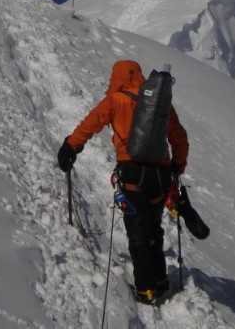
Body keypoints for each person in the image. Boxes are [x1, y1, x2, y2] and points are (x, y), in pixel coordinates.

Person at [57, 60, 189, 304]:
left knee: (137, 231)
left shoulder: (115, 100)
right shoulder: (158, 103)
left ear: (116, 77)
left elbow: (91, 124)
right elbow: (179, 137)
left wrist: (70, 147)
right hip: (159, 176)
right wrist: (177, 165)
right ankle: (159, 280)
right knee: (153, 228)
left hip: (132, 175)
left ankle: (145, 289)